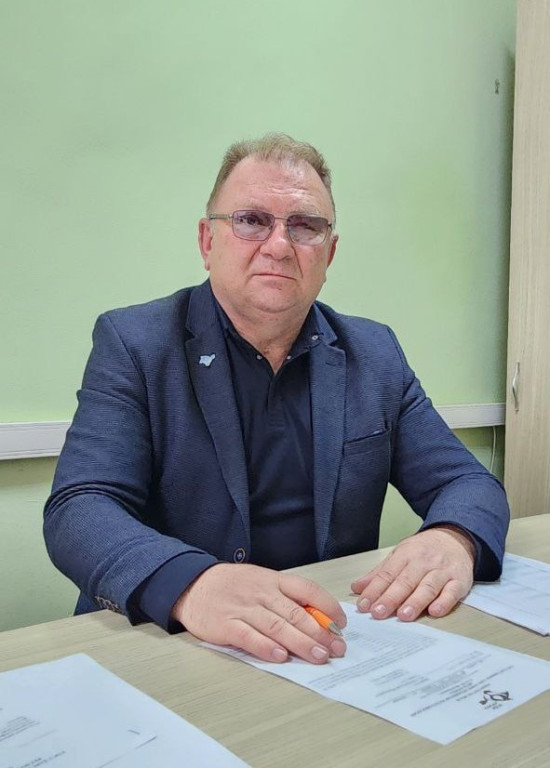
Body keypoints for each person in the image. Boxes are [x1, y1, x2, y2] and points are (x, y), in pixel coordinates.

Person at [44, 133, 509, 666]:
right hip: (172, 644)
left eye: (305, 226)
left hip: (324, 646)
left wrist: (453, 538)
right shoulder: (136, 342)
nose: (280, 246)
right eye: (251, 220)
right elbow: (79, 507)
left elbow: (466, 481)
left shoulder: (374, 352)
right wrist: (193, 583)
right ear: (207, 242)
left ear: (329, 253)